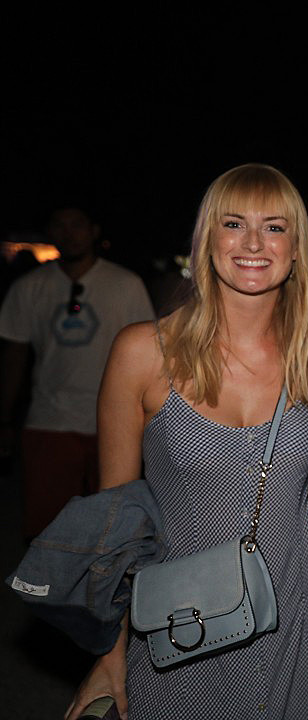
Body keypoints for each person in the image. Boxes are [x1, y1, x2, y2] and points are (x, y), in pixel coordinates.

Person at [64, 164, 308, 720]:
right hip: (178, 634)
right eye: (234, 224)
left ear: (298, 248)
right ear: (207, 241)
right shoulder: (143, 352)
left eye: (275, 228)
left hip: (292, 634)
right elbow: (113, 524)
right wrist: (109, 655)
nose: (254, 243)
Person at [0, 205, 154, 539]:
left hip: (115, 424)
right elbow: (15, 354)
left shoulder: (126, 284)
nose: (69, 233)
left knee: (112, 532)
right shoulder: (29, 287)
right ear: (50, 232)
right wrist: (5, 418)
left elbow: (150, 357)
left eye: (77, 224)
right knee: (48, 533)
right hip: (48, 422)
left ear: (94, 230)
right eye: (60, 224)